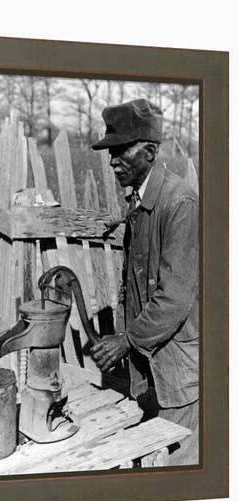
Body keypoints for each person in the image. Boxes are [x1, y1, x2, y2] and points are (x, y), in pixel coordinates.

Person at [90, 98, 199, 466]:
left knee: (177, 471)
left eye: (121, 151)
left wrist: (126, 340)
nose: (112, 160)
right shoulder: (140, 200)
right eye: (110, 151)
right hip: (150, 367)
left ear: (150, 151)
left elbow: (174, 299)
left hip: (177, 373)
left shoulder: (179, 202)